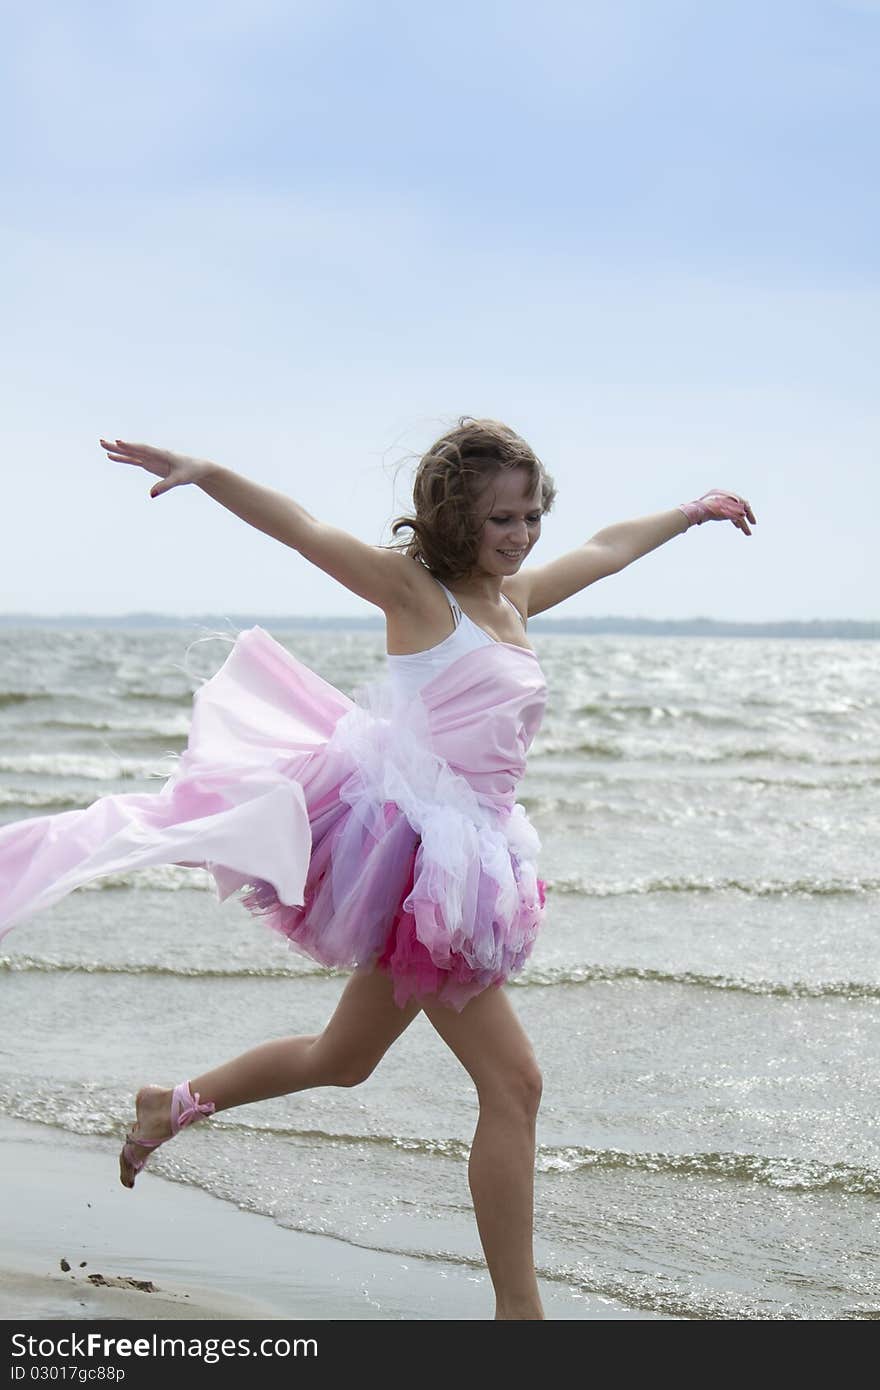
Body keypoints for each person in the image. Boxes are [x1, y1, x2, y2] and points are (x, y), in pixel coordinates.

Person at [0, 417, 755, 1320]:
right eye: (500, 520)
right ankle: (525, 1319)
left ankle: (173, 1104)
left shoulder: (513, 602)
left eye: (528, 517)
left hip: (469, 852)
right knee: (516, 1084)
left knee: (343, 1058)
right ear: (453, 517)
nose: (519, 536)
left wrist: (689, 512)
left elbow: (604, 550)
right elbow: (304, 528)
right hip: (418, 863)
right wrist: (210, 472)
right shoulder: (416, 595)